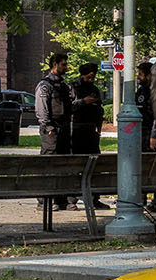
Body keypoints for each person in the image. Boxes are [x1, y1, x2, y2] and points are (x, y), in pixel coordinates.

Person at [35, 52, 73, 210]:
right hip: (52, 130)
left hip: (63, 129)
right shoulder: (45, 85)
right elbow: (42, 110)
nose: (66, 67)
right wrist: (49, 127)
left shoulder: (63, 85)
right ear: (55, 64)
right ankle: (45, 200)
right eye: (63, 64)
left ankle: (61, 198)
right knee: (49, 164)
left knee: (63, 164)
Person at [69, 63, 110, 209]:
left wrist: (99, 125)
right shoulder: (73, 87)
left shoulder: (94, 90)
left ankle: (94, 198)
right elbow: (69, 107)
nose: (92, 79)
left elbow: (99, 108)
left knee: (94, 164)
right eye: (89, 77)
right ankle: (71, 199)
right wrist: (83, 102)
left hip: (91, 130)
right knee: (76, 164)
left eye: (93, 76)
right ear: (83, 75)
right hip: (78, 129)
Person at [137, 62, 156, 214]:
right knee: (141, 168)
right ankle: (141, 200)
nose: (138, 77)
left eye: (141, 74)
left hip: (150, 134)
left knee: (155, 169)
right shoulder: (141, 91)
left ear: (149, 76)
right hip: (141, 134)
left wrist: (154, 136)